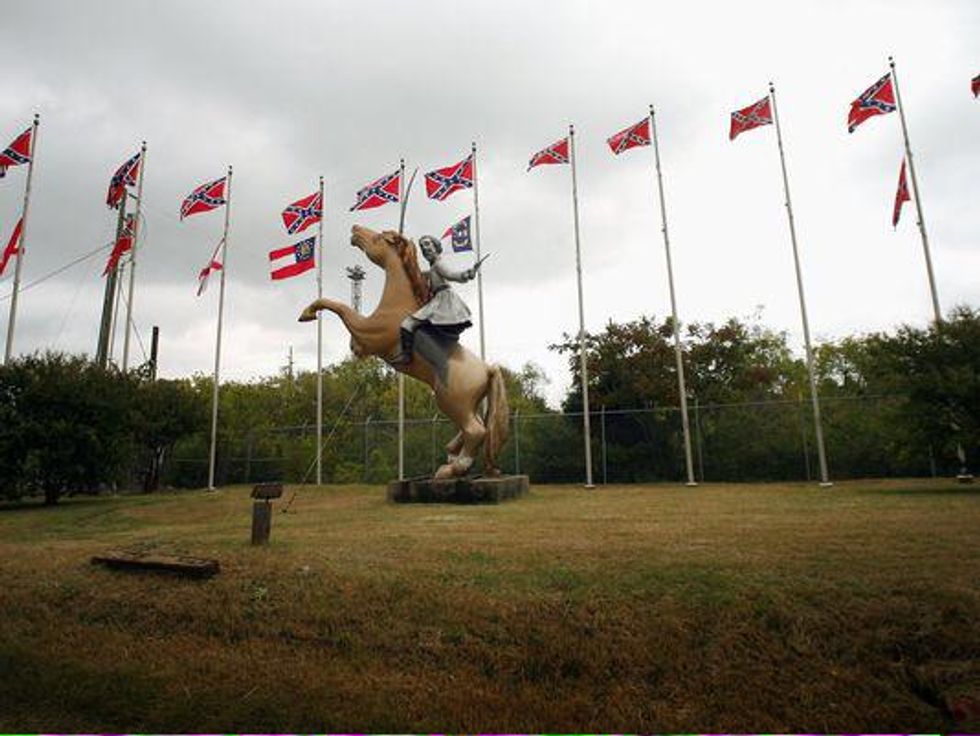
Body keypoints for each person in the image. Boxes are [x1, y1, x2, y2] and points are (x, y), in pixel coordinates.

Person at [393, 235, 482, 365]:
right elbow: (420, 276)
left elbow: (451, 275)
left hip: (443, 301)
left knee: (408, 324)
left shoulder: (439, 264)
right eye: (422, 247)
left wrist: (468, 273)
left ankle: (407, 356)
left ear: (435, 246)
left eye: (427, 244)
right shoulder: (433, 267)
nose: (425, 249)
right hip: (439, 300)